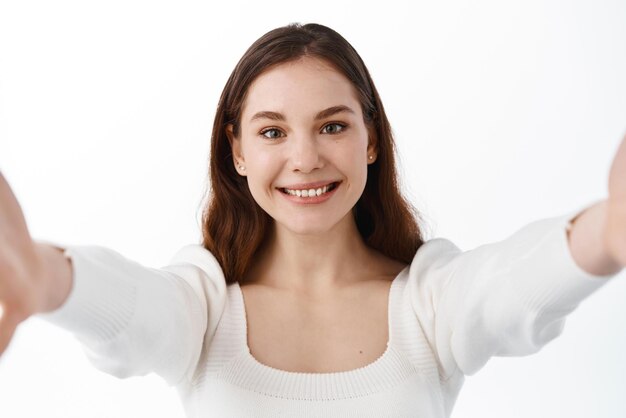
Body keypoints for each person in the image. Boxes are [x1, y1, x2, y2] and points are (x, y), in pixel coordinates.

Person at [0, 22, 625, 417]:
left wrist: (605, 233)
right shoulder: (205, 305)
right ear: (237, 151)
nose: (304, 159)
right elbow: (136, 310)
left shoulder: (429, 303)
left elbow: (504, 289)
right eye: (272, 131)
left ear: (371, 139)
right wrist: (46, 279)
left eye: (332, 125)